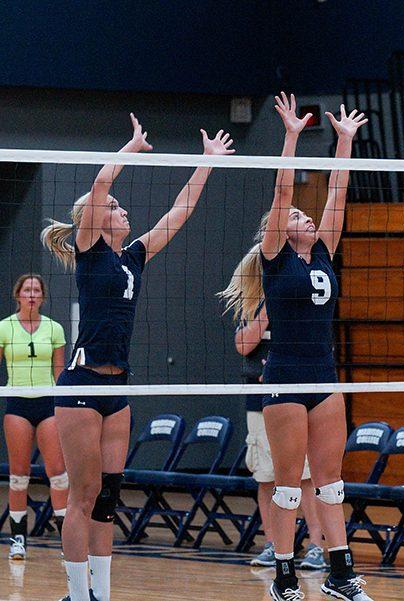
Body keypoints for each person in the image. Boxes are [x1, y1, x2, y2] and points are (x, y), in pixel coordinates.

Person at [41, 113, 234, 601]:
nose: (123, 210)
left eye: (122, 207)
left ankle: (101, 594)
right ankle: (76, 594)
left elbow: (180, 209)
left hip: (118, 389)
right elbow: (101, 183)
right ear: (95, 217)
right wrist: (130, 147)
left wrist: (206, 163)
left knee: (108, 498)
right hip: (82, 388)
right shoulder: (90, 250)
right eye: (114, 208)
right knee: (82, 499)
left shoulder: (135, 256)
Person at [219, 92, 368, 601]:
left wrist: (345, 142)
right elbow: (283, 191)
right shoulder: (275, 257)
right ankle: (284, 576)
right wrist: (290, 136)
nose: (306, 218)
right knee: (286, 484)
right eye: (296, 218)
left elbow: (338, 195)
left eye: (308, 218)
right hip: (283, 378)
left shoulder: (324, 249)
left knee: (330, 484)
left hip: (324, 377)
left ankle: (341, 575)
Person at [233, 302, 327, 570]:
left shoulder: (304, 300)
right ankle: (272, 545)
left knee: (307, 477)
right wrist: (264, 313)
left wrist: (279, 368)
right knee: (266, 476)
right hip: (259, 401)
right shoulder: (251, 304)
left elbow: (317, 346)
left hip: (299, 396)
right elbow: (243, 346)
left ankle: (316, 547)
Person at [1, 273, 68, 560]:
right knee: (18, 475)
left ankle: (68, 538)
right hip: (17, 404)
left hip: (48, 404)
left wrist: (67, 406)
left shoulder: (54, 328)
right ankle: (18, 540)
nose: (31, 294)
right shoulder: (4, 327)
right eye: (27, 289)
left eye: (36, 290)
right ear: (18, 295)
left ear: (42, 297)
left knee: (58, 473)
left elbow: (59, 371)